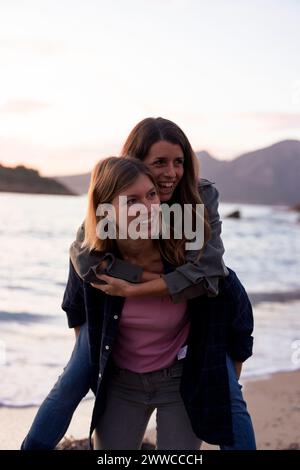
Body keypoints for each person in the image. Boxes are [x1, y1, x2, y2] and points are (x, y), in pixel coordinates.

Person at [21, 117, 255, 449]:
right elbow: (83, 254)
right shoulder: (118, 195)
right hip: (124, 350)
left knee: (229, 396)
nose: (171, 173)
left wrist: (139, 286)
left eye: (178, 162)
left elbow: (212, 271)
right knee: (72, 380)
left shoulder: (198, 196)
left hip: (201, 323)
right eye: (158, 162)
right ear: (134, 164)